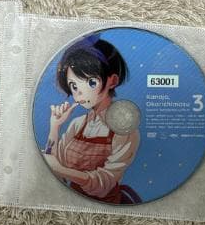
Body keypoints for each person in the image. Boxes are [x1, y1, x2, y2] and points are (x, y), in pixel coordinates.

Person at [42, 37, 141, 204]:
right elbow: (54, 165)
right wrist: (54, 127)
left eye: (91, 82)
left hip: (106, 209)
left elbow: (104, 184)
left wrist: (60, 169)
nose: (79, 93)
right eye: (74, 86)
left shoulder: (125, 130)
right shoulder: (78, 124)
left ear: (112, 81)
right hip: (69, 202)